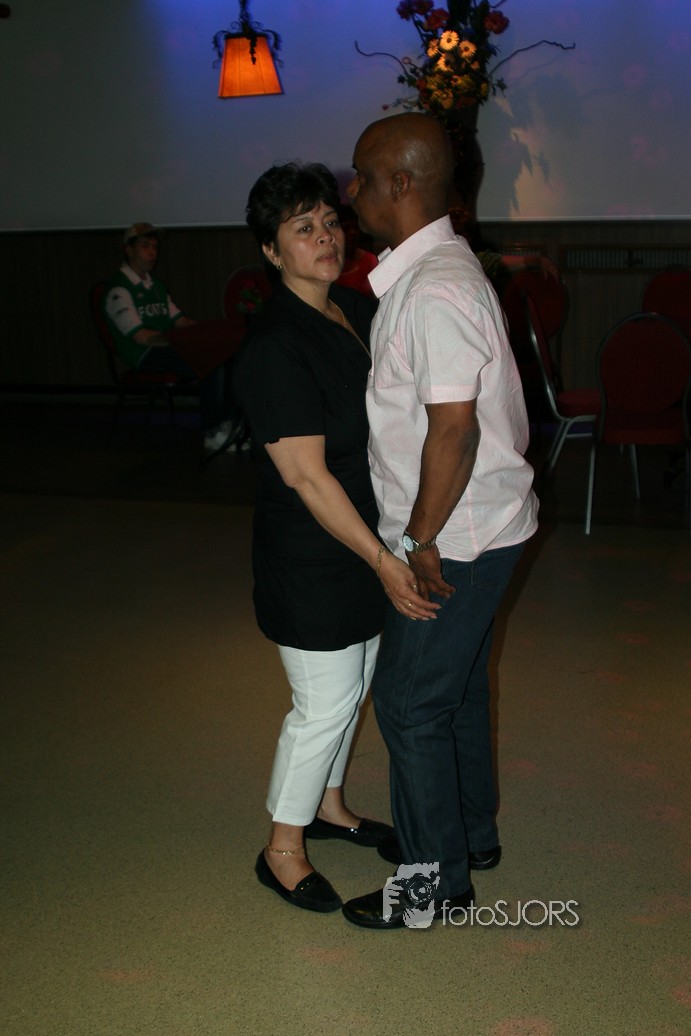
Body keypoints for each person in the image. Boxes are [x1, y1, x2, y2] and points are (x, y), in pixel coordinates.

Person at [341, 113, 539, 930]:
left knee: (409, 701)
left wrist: (417, 541)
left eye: (360, 176)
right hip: (477, 526)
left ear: (401, 183)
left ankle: (432, 886)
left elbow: (453, 430)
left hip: (453, 537)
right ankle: (467, 837)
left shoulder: (435, 289)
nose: (350, 190)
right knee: (452, 692)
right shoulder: (432, 274)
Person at [232, 162, 437, 914]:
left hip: (365, 535)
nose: (324, 238)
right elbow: (308, 478)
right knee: (322, 703)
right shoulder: (274, 346)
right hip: (315, 551)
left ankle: (329, 805)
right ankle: (281, 847)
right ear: (270, 250)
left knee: (355, 688)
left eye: (328, 222)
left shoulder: (351, 306)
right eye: (302, 229)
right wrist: (384, 561)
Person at [103, 223, 238, 451]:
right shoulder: (119, 290)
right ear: (128, 250)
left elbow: (181, 321)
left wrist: (209, 332)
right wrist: (182, 341)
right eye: (145, 246)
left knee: (224, 353)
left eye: (155, 246)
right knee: (209, 362)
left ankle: (229, 423)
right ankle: (212, 430)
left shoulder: (155, 285)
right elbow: (141, 338)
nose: (152, 252)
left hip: (166, 346)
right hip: (143, 355)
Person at [335, 205, 378, 296]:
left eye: (355, 228)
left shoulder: (370, 260)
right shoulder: (328, 261)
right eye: (346, 229)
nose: (352, 232)